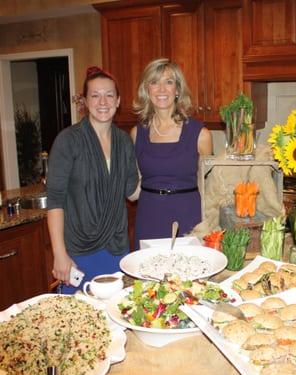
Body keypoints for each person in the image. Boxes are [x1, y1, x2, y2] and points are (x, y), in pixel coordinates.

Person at [47, 66, 139, 294]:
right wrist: (60, 253)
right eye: (95, 96)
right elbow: (55, 201)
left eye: (109, 95)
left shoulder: (124, 141)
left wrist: (159, 171)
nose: (103, 102)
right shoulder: (68, 140)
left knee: (117, 313)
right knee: (80, 319)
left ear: (118, 101)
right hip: (78, 250)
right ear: (85, 101)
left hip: (116, 247)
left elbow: (132, 192)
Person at [131, 58, 212, 247]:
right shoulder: (137, 133)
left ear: (177, 89)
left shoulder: (201, 135)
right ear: (146, 90)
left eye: (168, 82)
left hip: (188, 217)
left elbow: (208, 189)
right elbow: (135, 183)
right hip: (148, 218)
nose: (161, 89)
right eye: (154, 82)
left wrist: (208, 226)